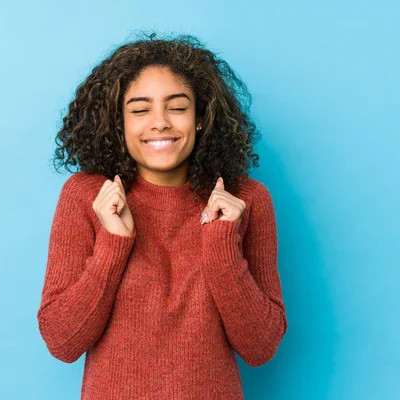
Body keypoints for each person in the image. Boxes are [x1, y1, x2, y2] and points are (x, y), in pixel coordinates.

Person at [36, 32, 288, 399]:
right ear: (118, 123)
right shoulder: (87, 197)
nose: (160, 122)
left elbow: (260, 348)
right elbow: (62, 341)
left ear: (201, 118)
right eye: (140, 109)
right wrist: (113, 244)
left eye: (177, 107)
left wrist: (221, 244)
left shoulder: (246, 201)